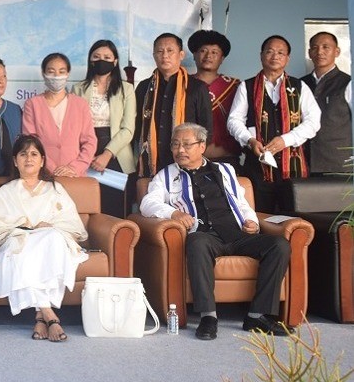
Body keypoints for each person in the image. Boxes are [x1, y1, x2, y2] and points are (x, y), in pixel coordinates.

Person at [140, 123, 292, 339]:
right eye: (175, 145)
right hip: (205, 235)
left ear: (202, 146)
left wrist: (252, 222)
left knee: (279, 245)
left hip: (236, 234)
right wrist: (173, 214)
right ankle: (208, 317)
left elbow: (241, 203)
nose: (180, 150)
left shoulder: (225, 170)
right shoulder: (165, 176)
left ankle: (257, 316)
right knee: (197, 242)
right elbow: (147, 204)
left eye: (186, 144)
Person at [0, 134, 87, 342]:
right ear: (15, 161)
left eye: (34, 154)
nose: (28, 159)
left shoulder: (55, 189)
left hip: (49, 241)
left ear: (42, 161)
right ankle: (48, 314)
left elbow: (73, 225)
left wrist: (48, 226)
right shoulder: (5, 192)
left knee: (52, 238)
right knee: (25, 246)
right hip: (17, 239)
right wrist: (25, 226)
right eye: (23, 154)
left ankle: (41, 316)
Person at [227, 35, 321, 213]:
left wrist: (286, 140)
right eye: (270, 51)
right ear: (261, 55)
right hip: (257, 166)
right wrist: (249, 140)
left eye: (280, 52)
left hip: (293, 166)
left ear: (287, 58)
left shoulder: (299, 86)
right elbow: (233, 120)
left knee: (295, 215)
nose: (275, 56)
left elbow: (314, 121)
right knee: (260, 215)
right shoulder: (247, 86)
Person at [72, 40, 136, 216]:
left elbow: (128, 129)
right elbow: (73, 126)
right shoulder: (77, 89)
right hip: (85, 152)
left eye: (107, 57)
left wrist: (107, 154)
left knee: (116, 210)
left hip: (117, 153)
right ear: (90, 60)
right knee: (87, 208)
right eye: (97, 57)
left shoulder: (127, 89)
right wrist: (87, 153)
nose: (102, 60)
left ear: (115, 61)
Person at [135, 32, 212, 178]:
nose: (165, 56)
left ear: (181, 54)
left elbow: (206, 129)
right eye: (160, 51)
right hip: (151, 162)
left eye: (170, 51)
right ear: (154, 55)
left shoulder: (197, 88)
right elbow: (138, 126)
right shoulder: (144, 88)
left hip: (186, 162)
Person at [22, 53, 97, 177]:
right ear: (43, 73)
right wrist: (51, 168)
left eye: (61, 71)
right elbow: (31, 142)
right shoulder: (32, 104)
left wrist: (74, 168)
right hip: (42, 175)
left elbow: (90, 141)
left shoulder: (80, 104)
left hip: (75, 176)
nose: (56, 76)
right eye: (51, 71)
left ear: (68, 74)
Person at [189, 30, 242, 166]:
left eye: (214, 52)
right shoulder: (183, 84)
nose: (208, 56)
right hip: (190, 160)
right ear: (194, 55)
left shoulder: (235, 86)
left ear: (222, 58)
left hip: (227, 159)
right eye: (203, 51)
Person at [302, 31, 351, 175]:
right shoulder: (300, 84)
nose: (320, 52)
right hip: (304, 161)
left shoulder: (348, 83)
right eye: (315, 48)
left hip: (339, 163)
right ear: (310, 53)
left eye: (325, 47)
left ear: (337, 52)